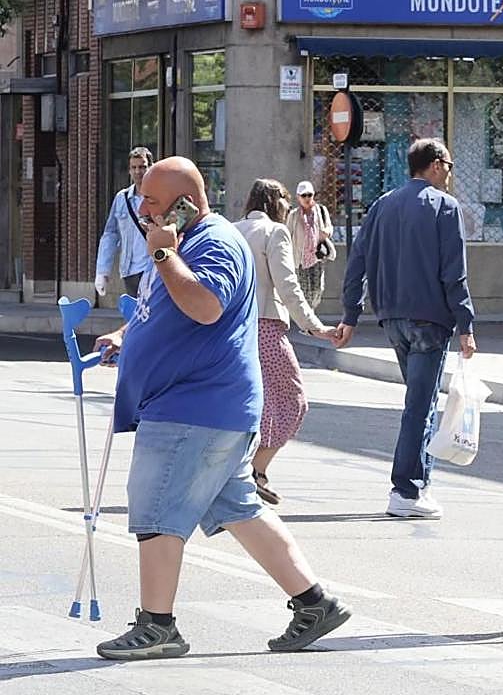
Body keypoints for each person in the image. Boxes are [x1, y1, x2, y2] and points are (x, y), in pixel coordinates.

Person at [92, 157, 350, 661]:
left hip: (197, 406)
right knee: (237, 507)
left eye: (153, 201)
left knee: (157, 508)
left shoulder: (214, 244)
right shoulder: (179, 243)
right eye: (142, 197)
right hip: (204, 407)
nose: (142, 207)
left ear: (186, 204)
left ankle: (158, 625)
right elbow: (164, 305)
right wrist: (127, 335)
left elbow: (206, 305)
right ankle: (314, 602)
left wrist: (165, 255)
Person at [336, 138, 477, 520]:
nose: (450, 171)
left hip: (392, 318)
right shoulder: (444, 207)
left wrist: (351, 314)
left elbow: (357, 263)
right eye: (448, 163)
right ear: (433, 165)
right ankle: (408, 489)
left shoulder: (383, 205)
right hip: (430, 317)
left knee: (419, 403)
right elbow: (454, 273)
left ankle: (416, 486)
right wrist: (466, 323)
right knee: (420, 406)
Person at [235, 179, 336, 504]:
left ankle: (240, 473)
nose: (288, 208)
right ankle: (255, 470)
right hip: (265, 327)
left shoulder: (232, 230)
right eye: (285, 201)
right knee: (293, 399)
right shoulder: (275, 232)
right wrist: (314, 326)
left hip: (233, 328)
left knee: (252, 404)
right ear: (274, 202)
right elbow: (287, 284)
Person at [94, 146, 154, 298]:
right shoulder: (122, 198)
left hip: (153, 269)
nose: (138, 172)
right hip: (130, 270)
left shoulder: (159, 197)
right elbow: (110, 234)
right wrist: (102, 271)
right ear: (129, 170)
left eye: (142, 167)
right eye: (133, 167)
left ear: (151, 168)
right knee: (135, 316)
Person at [286, 180, 335, 310]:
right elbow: (287, 234)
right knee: (304, 289)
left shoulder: (321, 210)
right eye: (304, 195)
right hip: (300, 258)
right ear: (298, 197)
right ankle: (309, 321)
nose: (307, 198)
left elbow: (330, 227)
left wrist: (326, 233)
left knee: (317, 288)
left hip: (317, 255)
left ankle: (311, 314)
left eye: (310, 195)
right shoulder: (293, 215)